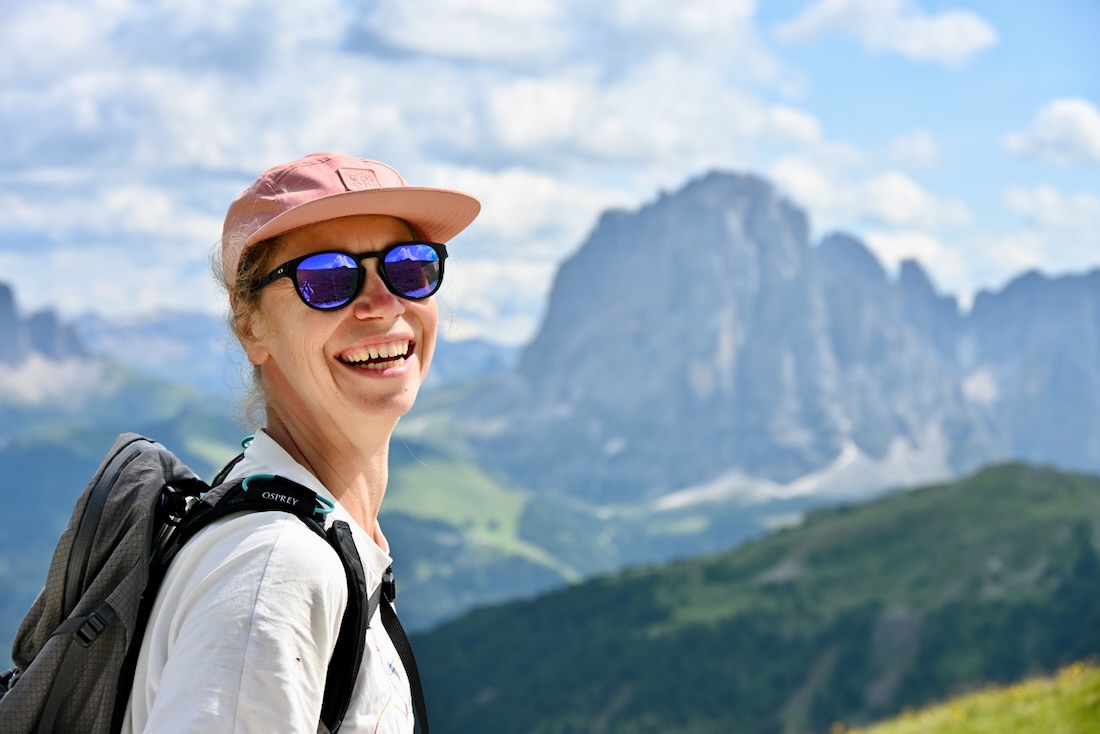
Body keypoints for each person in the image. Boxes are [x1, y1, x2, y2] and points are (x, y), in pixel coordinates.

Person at [121, 152, 480, 733]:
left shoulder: (309, 540)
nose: (382, 303)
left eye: (408, 267)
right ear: (252, 326)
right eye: (328, 279)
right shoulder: (275, 570)